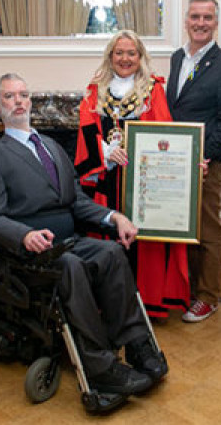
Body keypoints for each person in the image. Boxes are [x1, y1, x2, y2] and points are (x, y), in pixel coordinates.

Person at [0, 73, 168, 397]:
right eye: (9, 96)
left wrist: (114, 216)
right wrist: (24, 235)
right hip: (27, 250)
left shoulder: (51, 146)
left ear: (30, 101)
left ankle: (136, 346)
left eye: (23, 94)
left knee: (113, 253)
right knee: (72, 267)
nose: (18, 101)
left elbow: (76, 201)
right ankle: (101, 368)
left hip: (68, 239)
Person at [74, 30, 189, 320]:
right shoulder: (95, 90)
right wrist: (105, 153)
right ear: (110, 56)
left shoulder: (153, 90)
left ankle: (143, 301)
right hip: (106, 179)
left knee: (142, 241)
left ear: (140, 57)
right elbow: (85, 132)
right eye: (119, 53)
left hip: (143, 181)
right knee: (107, 238)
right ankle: (108, 302)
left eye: (131, 53)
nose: (125, 59)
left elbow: (166, 133)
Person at [166, 0, 221, 322]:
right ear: (186, 20)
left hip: (204, 163)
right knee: (183, 227)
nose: (200, 23)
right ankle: (191, 288)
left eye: (207, 18)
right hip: (174, 161)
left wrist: (204, 155)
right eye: (195, 17)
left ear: (216, 22)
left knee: (207, 229)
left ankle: (209, 296)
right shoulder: (176, 58)